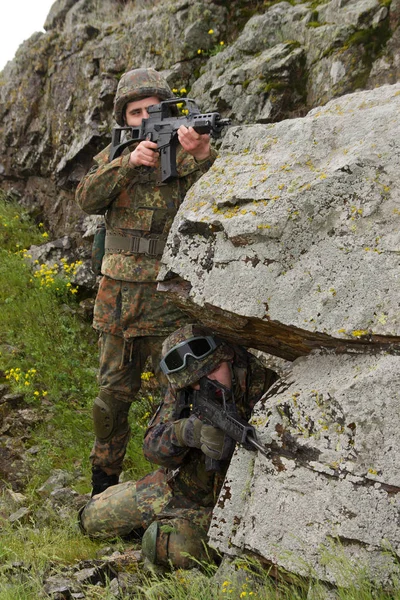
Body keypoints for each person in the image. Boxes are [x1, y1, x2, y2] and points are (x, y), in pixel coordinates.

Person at [75, 68, 217, 496]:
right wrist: (127, 164)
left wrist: (204, 151)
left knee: (176, 398)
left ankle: (177, 487)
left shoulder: (187, 154)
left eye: (150, 110)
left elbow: (221, 191)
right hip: (116, 299)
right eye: (134, 112)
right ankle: (103, 487)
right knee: (111, 401)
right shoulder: (115, 156)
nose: (142, 118)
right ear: (125, 117)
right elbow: (86, 198)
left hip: (165, 299)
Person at [79, 324, 278, 569]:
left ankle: (163, 533)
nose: (209, 382)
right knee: (91, 519)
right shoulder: (184, 390)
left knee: (171, 546)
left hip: (221, 507)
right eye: (196, 381)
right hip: (174, 487)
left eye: (214, 369)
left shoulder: (266, 387)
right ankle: (156, 524)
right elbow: (151, 448)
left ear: (230, 356)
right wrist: (185, 433)